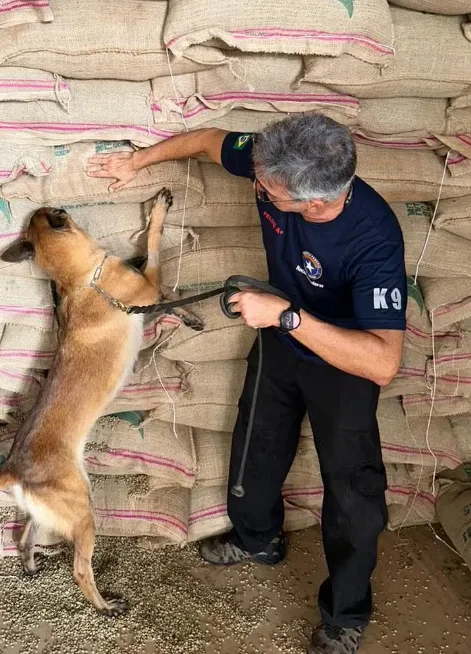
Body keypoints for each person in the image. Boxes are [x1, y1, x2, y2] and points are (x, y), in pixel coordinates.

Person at [85, 114, 406, 654]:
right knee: (258, 440)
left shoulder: (373, 237)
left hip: (343, 361)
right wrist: (137, 161)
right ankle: (257, 538)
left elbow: (382, 363)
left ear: (314, 202)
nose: (256, 184)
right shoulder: (271, 161)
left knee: (353, 492)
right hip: (280, 337)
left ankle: (345, 614)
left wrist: (287, 316)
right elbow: (211, 143)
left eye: (267, 188)